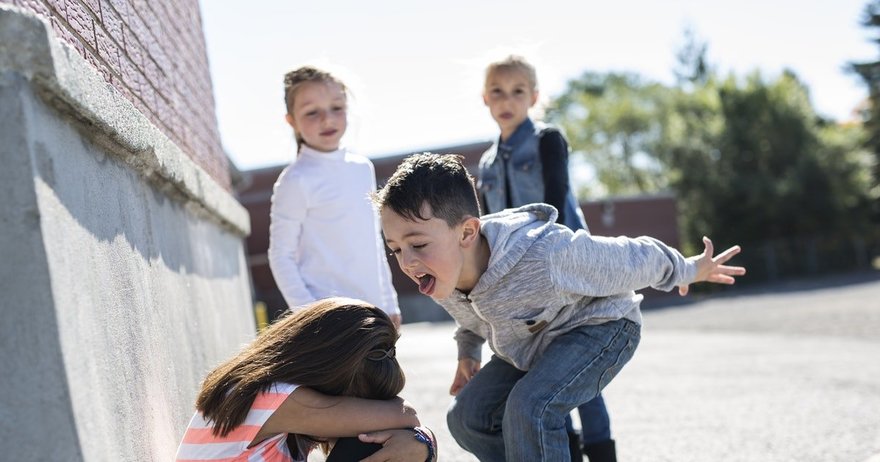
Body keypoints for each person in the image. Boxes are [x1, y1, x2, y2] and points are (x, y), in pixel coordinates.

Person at [373, 153, 745, 461]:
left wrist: (689, 269)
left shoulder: (545, 254)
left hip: (601, 328)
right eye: (396, 249)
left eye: (417, 244)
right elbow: (472, 319)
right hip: (532, 344)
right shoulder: (447, 276)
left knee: (530, 407)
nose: (406, 262)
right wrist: (467, 352)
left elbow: (633, 257)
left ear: (467, 233)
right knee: (467, 418)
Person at [477, 55, 609, 460]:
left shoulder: (548, 140)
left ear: (534, 97)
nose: (507, 99)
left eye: (518, 91)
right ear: (485, 98)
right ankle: (563, 452)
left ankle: (604, 452)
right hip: (519, 282)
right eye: (497, 91)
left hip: (566, 270)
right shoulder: (485, 163)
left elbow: (556, 200)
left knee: (581, 372)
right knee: (544, 373)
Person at [174, 298, 437, 462]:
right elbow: (407, 415)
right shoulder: (273, 397)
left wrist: (422, 445)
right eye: (355, 403)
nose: (359, 415)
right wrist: (424, 443)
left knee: (386, 441)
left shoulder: (268, 394)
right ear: (328, 373)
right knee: (371, 443)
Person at [268, 65, 401, 327]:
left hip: (374, 312)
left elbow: (373, 242)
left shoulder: (363, 168)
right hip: (329, 320)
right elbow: (281, 255)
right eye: (311, 112)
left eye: (336, 108)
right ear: (291, 121)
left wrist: (389, 302)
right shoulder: (295, 180)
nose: (327, 120)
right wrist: (309, 314)